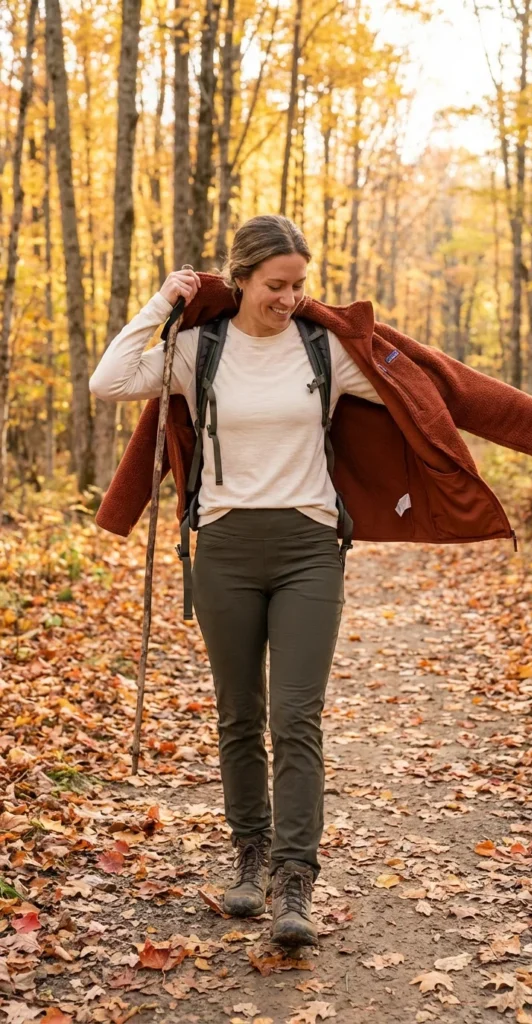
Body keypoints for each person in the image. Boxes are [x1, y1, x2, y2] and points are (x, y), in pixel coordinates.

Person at [90, 214, 386, 947]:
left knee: (296, 715)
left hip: (310, 546)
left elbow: (417, 396)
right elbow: (109, 380)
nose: (290, 298)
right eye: (275, 285)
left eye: (300, 286)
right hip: (223, 546)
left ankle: (295, 879)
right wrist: (163, 303)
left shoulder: (326, 351)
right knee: (238, 714)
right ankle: (248, 858)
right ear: (241, 280)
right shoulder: (198, 351)